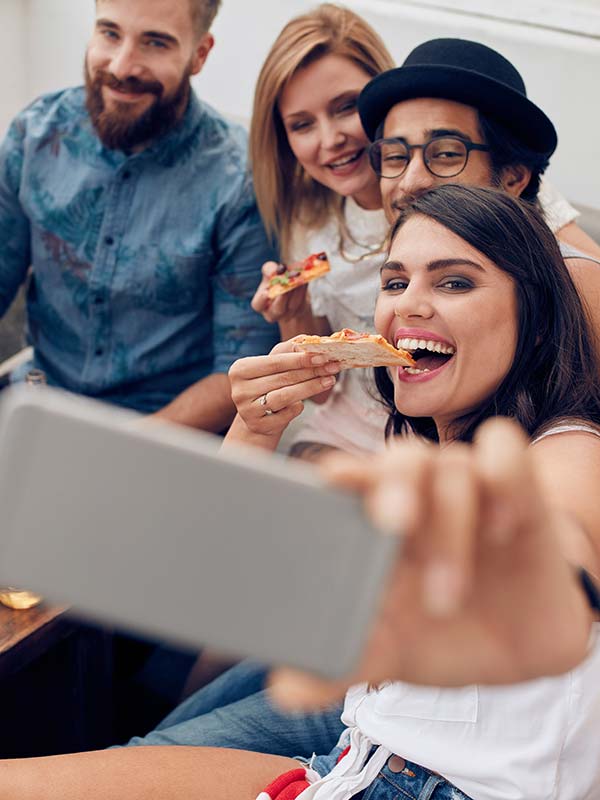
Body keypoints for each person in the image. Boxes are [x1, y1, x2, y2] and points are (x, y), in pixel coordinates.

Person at [1, 184, 599, 799]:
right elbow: (216, 570)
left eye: (454, 283)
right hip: (356, 762)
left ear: (535, 318)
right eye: (395, 283)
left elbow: (561, 558)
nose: (408, 305)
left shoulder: (570, 447)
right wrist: (256, 429)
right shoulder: (429, 446)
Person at [248, 12, 600, 463]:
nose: (412, 180)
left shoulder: (566, 275)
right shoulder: (319, 221)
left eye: (447, 154)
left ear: (514, 178)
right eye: (394, 282)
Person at [0, 0, 278, 427]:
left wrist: (120, 454)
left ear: (199, 54)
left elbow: (239, 370)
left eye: (155, 43)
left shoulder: (240, 179)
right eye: (109, 33)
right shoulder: (34, 134)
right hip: (37, 401)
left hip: (168, 432)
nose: (122, 66)